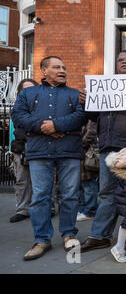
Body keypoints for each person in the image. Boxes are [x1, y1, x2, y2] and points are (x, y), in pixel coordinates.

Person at [79, 50, 126, 252]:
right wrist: (86, 102)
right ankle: (100, 236)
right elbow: (93, 117)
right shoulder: (105, 86)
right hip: (108, 146)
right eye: (120, 60)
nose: (124, 63)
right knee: (106, 192)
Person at [11, 56, 86, 260]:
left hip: (69, 149)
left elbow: (81, 116)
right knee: (40, 196)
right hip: (39, 151)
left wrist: (57, 125)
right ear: (44, 71)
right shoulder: (28, 93)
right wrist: (45, 128)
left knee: (70, 194)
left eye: (64, 67)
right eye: (56, 67)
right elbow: (18, 115)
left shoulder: (75, 94)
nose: (62, 70)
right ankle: (42, 239)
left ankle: (69, 234)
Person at [9, 78, 38, 223]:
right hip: (20, 147)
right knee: (21, 180)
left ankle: (47, 208)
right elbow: (13, 130)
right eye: (25, 89)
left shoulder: (42, 106)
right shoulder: (17, 108)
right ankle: (22, 210)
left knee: (42, 180)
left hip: (39, 146)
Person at [77, 120, 99, 222]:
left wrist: (79, 144)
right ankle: (83, 210)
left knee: (88, 183)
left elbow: (91, 133)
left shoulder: (90, 115)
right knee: (82, 183)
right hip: (81, 152)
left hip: (87, 152)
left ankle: (90, 211)